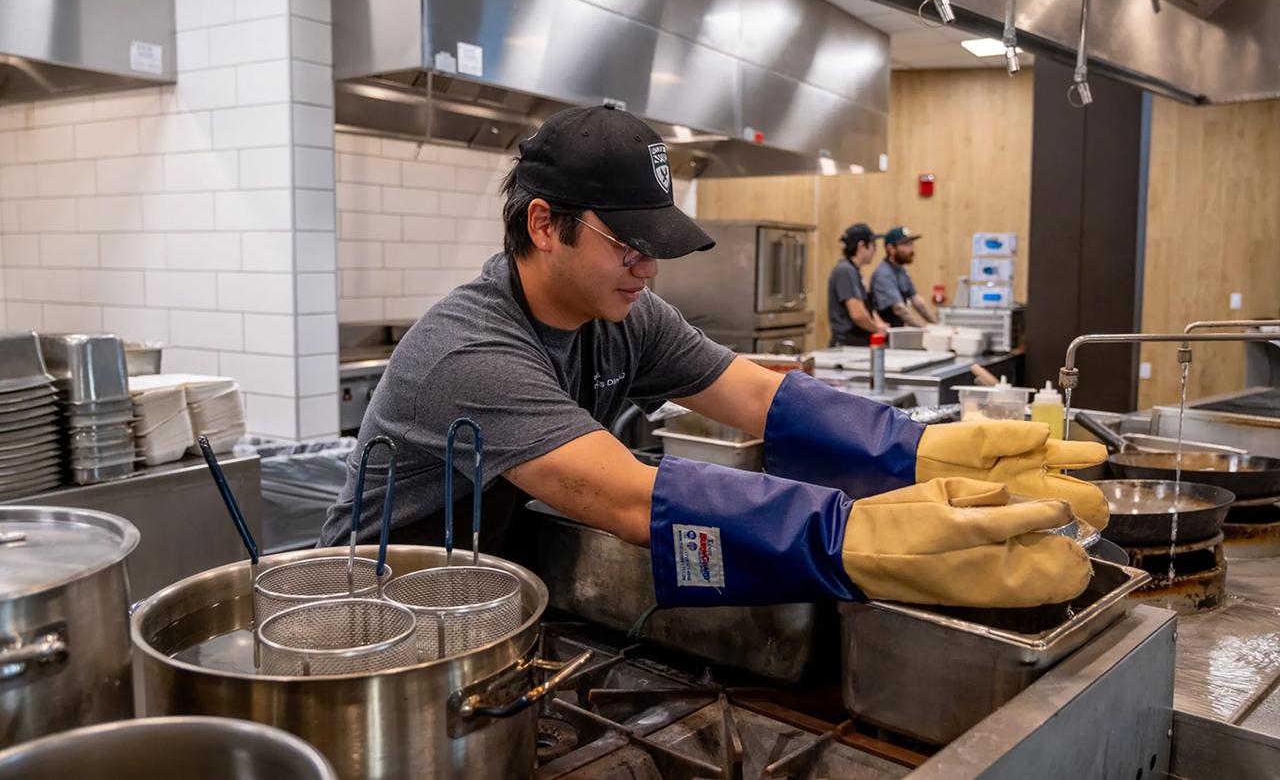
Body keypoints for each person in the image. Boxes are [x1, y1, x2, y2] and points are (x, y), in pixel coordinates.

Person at [319, 104, 1108, 610]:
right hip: (374, 619)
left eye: (655, 248)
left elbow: (761, 397)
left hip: (478, 603)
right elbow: (631, 496)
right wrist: (849, 536)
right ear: (544, 224)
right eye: (628, 245)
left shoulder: (624, 315)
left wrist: (915, 450)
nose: (649, 268)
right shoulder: (473, 351)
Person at [827, 223, 888, 347]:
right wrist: (877, 329)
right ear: (862, 246)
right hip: (846, 344)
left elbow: (866, 307)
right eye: (873, 245)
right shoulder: (845, 271)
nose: (875, 250)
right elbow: (858, 314)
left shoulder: (854, 271)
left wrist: (880, 323)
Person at [871, 226, 938, 328]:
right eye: (906, 245)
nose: (911, 249)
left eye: (911, 244)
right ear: (891, 249)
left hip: (899, 330)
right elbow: (899, 309)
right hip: (887, 334)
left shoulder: (901, 271)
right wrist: (924, 329)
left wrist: (936, 325)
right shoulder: (883, 274)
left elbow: (917, 301)